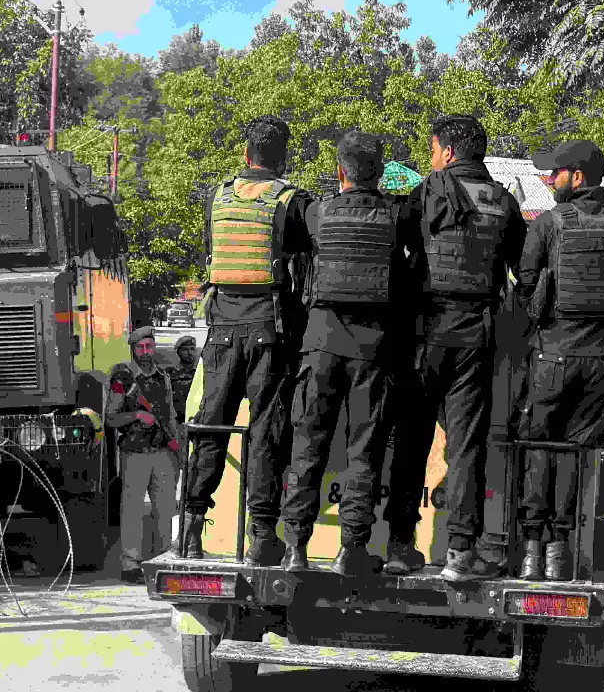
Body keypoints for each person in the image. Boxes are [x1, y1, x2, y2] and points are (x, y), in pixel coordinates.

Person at [382, 115, 528, 582]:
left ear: (446, 151)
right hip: (477, 337)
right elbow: (523, 274)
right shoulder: (503, 203)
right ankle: (462, 552)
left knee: (412, 439)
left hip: (425, 333)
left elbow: (394, 252)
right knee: (466, 446)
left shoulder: (425, 194)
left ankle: (400, 544)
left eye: (432, 149)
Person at [279, 131, 423, 575]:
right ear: (379, 172)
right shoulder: (398, 217)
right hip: (373, 350)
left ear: (340, 171)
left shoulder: (317, 213)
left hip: (320, 345)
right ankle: (351, 550)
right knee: (365, 451)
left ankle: (295, 550)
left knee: (308, 447)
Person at [515, 139, 604, 581]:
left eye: (554, 173)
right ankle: (561, 554)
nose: (549, 181)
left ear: (576, 177)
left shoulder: (549, 224)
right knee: (576, 453)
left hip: (554, 357)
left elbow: (525, 288)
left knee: (540, 448)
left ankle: (532, 552)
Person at [181, 116, 314, 565]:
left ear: (246, 155)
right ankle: (261, 536)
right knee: (265, 432)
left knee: (211, 427)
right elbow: (306, 267)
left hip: (221, 332)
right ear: (284, 158)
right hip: (270, 332)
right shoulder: (293, 202)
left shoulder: (216, 198)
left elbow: (211, 253)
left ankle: (192, 528)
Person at [107, 326, 182, 584]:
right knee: (132, 511)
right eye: (140, 347)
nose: (145, 352)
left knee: (166, 509)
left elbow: (170, 414)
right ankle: (130, 564)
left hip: (162, 452)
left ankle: (164, 559)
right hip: (134, 454)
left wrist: (177, 447)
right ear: (133, 349)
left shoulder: (163, 377)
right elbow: (111, 418)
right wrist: (138, 415)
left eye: (149, 346)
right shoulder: (124, 378)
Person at [167, 335, 198, 425]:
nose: (189, 353)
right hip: (176, 421)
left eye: (192, 349)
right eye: (185, 350)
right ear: (178, 352)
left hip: (196, 420)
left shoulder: (201, 372)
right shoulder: (169, 373)